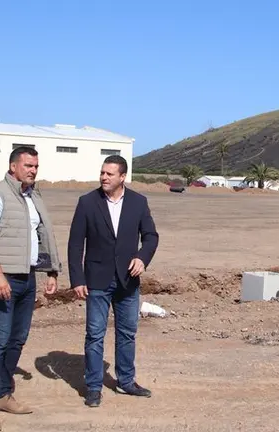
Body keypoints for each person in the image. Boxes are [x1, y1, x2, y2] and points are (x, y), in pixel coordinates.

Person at [0, 145, 62, 431]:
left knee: (17, 338)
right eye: (28, 166)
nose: (33, 170)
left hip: (27, 277)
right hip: (2, 277)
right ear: (13, 167)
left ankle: (3, 393)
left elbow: (41, 235)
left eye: (36, 166)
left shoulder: (33, 196)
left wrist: (51, 271)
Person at [67, 155, 160, 408]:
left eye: (109, 174)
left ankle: (126, 381)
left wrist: (142, 258)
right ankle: (94, 387)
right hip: (97, 280)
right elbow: (76, 244)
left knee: (127, 334)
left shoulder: (139, 202)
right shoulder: (87, 202)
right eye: (102, 173)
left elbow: (151, 236)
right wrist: (77, 278)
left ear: (122, 177)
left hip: (128, 280)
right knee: (95, 335)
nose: (104, 177)